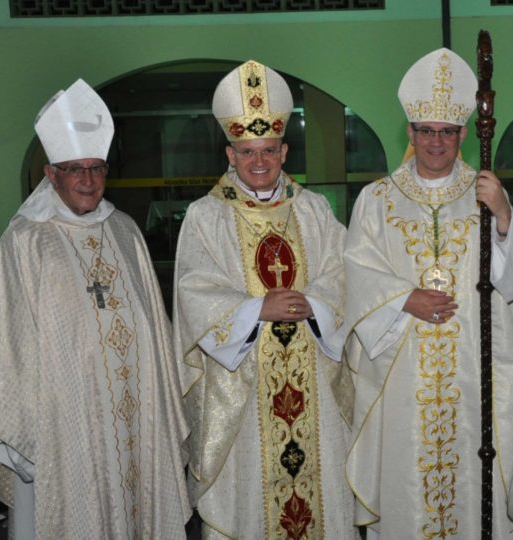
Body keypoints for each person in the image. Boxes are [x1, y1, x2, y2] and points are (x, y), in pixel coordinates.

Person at [0, 79, 191, 539]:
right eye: (74, 169)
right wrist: (19, 431)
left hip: (136, 422)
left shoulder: (125, 232)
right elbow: (4, 344)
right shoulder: (26, 240)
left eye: (96, 168)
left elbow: (157, 338)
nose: (87, 180)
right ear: (50, 173)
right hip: (65, 430)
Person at [341, 48, 513, 539]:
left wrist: (503, 219)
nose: (437, 142)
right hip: (402, 375)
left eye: (448, 132)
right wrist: (402, 299)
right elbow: (355, 271)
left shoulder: (485, 190)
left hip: (472, 376)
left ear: (461, 135)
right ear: (409, 133)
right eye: (427, 131)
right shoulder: (376, 200)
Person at [173, 60, 354, 539]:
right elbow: (193, 289)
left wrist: (313, 302)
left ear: (284, 150)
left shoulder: (314, 209)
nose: (259, 161)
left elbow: (344, 273)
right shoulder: (205, 216)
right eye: (248, 151)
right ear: (230, 154)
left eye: (268, 150)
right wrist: (258, 309)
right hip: (245, 391)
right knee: (251, 500)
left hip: (313, 381)